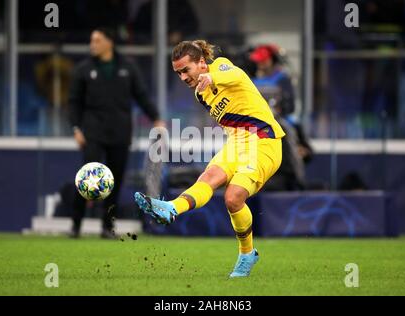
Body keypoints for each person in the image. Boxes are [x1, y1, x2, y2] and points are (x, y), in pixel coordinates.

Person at [134, 40, 286, 278]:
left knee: (233, 198)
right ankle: (170, 208)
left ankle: (247, 254)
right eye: (178, 73)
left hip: (264, 142)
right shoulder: (200, 94)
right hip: (236, 144)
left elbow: (235, 75)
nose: (183, 77)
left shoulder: (221, 67)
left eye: (186, 70)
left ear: (202, 63)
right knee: (208, 177)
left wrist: (213, 78)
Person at [68, 27, 164, 238]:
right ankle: (75, 225)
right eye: (92, 40)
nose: (93, 44)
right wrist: (76, 128)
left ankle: (107, 227)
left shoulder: (127, 67)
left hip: (120, 132)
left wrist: (156, 117)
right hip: (93, 132)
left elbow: (141, 95)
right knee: (87, 178)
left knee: (114, 181)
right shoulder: (83, 69)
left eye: (97, 40)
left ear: (109, 42)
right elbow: (73, 102)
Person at [250, 44, 313, 191]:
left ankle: (297, 177)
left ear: (272, 60)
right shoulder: (253, 79)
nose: (260, 64)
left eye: (264, 60)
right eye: (259, 61)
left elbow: (290, 106)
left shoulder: (282, 78)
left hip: (280, 119)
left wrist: (278, 112)